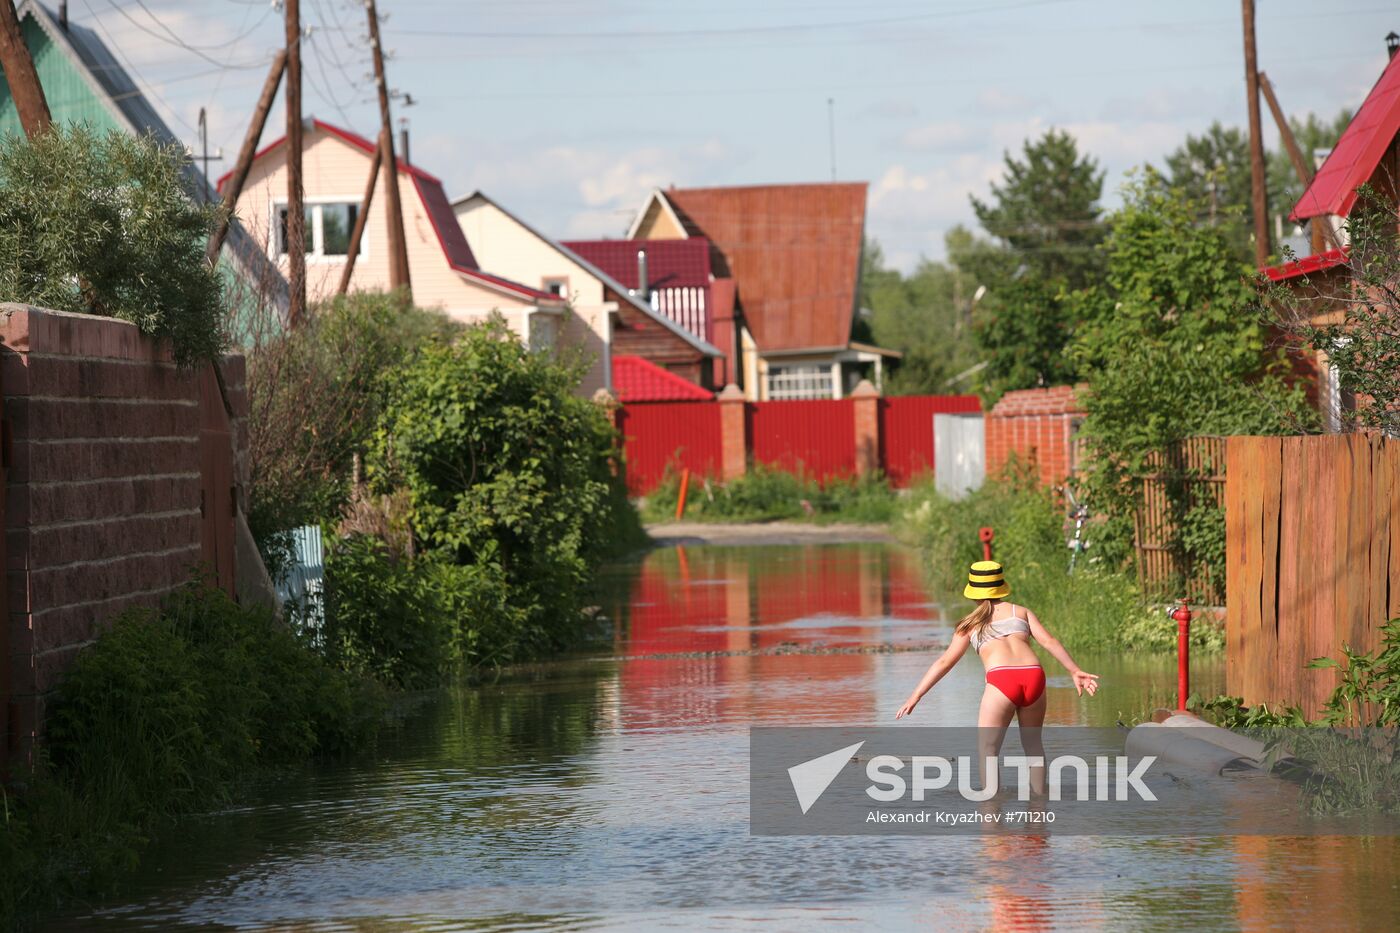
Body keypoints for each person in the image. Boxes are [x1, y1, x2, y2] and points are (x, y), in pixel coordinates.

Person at [894, 560, 1099, 795]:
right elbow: (1049, 641)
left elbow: (944, 662)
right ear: (1001, 586)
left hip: (1002, 679)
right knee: (1033, 746)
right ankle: (1040, 808)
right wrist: (1074, 670)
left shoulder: (969, 624)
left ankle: (991, 812)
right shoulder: (1020, 612)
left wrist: (915, 696)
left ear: (972, 592)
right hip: (1034, 675)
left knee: (988, 750)